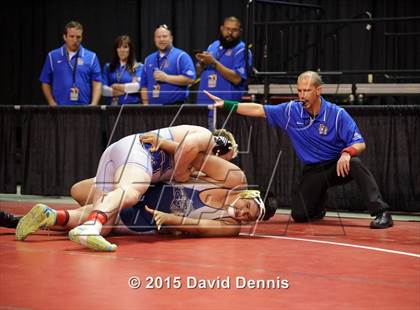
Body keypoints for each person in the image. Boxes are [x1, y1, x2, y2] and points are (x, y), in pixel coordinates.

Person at [205, 71, 393, 229]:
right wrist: (226, 105)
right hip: (313, 170)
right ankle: (319, 205)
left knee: (355, 163)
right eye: (299, 90)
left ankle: (381, 212)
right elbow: (258, 110)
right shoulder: (291, 111)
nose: (302, 95)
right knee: (300, 215)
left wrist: (346, 153)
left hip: (337, 165)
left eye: (307, 91)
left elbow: (360, 144)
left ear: (319, 91)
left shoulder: (337, 114)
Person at [15, 125, 238, 251]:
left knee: (106, 222)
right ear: (221, 148)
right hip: (139, 153)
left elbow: (77, 190)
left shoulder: (199, 164)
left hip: (121, 153)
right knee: (130, 193)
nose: (221, 166)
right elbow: (188, 147)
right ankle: (90, 226)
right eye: (226, 159)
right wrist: (181, 173)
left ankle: (52, 215)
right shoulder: (207, 137)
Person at [14, 153, 277, 251]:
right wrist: (186, 171)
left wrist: (169, 219)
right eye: (248, 208)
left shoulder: (230, 226)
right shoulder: (232, 178)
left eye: (250, 218)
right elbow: (194, 157)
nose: (243, 215)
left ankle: (54, 216)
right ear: (248, 195)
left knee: (105, 209)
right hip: (150, 185)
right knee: (79, 190)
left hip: (148, 217)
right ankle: (53, 216)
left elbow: (192, 226)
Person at [39, 21, 102, 106]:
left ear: (82, 37)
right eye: (71, 36)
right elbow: (45, 81)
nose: (75, 40)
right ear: (65, 37)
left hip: (84, 109)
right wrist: (51, 102)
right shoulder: (52, 56)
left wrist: (94, 104)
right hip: (59, 108)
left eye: (78, 37)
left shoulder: (91, 57)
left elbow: (97, 82)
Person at [195, 16, 252, 105]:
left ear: (240, 32)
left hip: (226, 104)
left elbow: (237, 79)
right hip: (204, 102)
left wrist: (214, 63)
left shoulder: (241, 50)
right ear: (221, 29)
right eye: (227, 29)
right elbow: (198, 72)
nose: (230, 33)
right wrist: (201, 63)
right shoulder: (213, 45)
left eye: (234, 30)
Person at [140, 24, 196, 105]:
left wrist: (166, 78)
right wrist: (146, 106)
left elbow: (190, 79)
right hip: (152, 110)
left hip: (175, 108)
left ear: (171, 38)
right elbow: (144, 86)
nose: (161, 39)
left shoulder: (181, 56)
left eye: (164, 36)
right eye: (158, 37)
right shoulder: (148, 59)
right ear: (154, 39)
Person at [102, 35, 143, 105]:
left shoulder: (138, 67)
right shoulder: (108, 67)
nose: (122, 50)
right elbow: (102, 89)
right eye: (119, 47)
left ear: (130, 49)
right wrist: (125, 90)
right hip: (112, 107)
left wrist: (115, 86)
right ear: (116, 50)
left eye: (125, 47)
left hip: (131, 107)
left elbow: (137, 87)